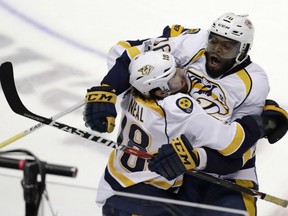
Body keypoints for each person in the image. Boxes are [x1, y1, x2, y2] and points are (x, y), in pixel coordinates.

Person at [84, 13, 288, 215]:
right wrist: (265, 123)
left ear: (242, 50)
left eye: (227, 46)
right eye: (214, 41)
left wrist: (107, 90)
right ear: (160, 89)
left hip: (223, 173)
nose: (216, 49)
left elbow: (125, 53)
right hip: (181, 167)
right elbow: (235, 140)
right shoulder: (185, 104)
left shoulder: (253, 81)